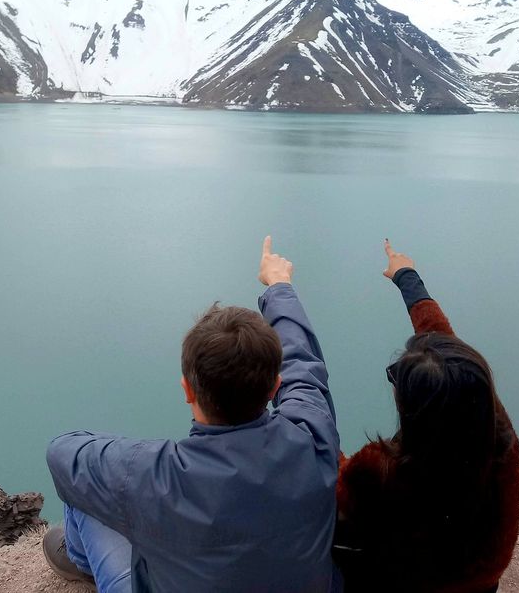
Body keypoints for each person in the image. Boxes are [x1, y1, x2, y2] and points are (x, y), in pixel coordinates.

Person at [43, 237, 341, 593]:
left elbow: (61, 453)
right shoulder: (313, 439)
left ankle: (78, 561)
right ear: (276, 387)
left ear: (187, 389)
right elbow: (303, 363)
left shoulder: (154, 477)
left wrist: (133, 461)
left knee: (86, 496)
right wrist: (279, 285)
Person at [333, 240, 519, 593]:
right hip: (479, 583)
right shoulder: (499, 443)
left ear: (410, 405)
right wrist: (406, 276)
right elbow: (448, 349)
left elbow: (327, 478)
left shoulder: (378, 472)